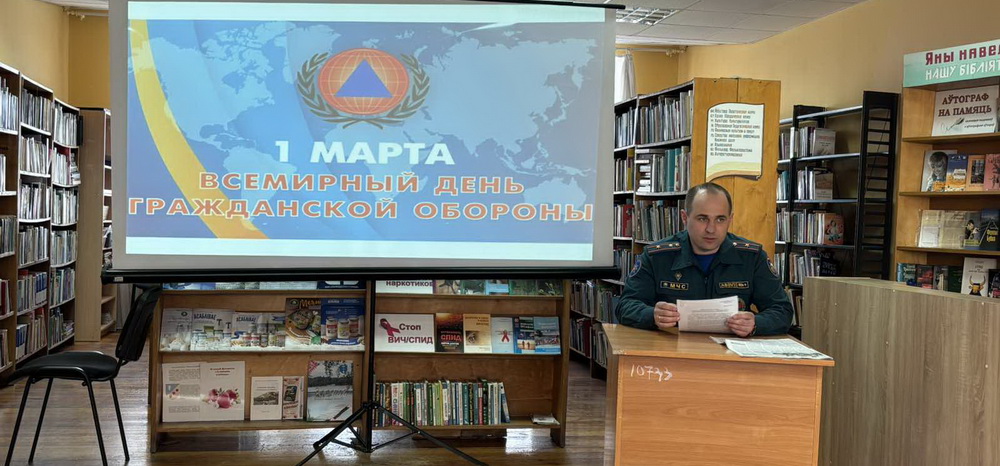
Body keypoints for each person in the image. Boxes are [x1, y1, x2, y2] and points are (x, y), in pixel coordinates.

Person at [615, 182, 792, 337]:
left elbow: (782, 311)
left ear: (730, 219)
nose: (711, 229)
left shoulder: (752, 257)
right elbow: (625, 305)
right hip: (672, 351)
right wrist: (652, 315)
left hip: (731, 354)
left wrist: (755, 323)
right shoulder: (657, 256)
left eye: (720, 219)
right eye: (702, 218)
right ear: (685, 217)